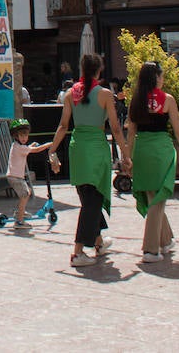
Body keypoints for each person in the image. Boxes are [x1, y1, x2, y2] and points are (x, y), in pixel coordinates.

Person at [48, 53, 129, 267]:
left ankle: (99, 242)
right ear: (99, 70)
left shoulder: (70, 93)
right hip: (95, 147)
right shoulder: (104, 94)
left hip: (77, 146)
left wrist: (52, 150)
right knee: (93, 200)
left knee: (87, 195)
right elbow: (115, 127)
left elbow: (63, 126)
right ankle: (78, 252)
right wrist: (125, 154)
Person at [125, 62, 179, 264]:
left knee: (153, 194)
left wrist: (127, 157)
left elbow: (131, 132)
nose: (162, 79)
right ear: (156, 77)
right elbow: (178, 130)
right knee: (159, 198)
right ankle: (150, 249)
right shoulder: (168, 99)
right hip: (161, 149)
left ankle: (166, 240)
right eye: (161, 76)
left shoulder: (135, 100)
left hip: (141, 150)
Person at [3, 119, 53, 230]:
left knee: (27, 192)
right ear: (16, 136)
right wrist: (48, 144)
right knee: (25, 195)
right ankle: (19, 221)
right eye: (21, 136)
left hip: (15, 176)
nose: (24, 138)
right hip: (15, 177)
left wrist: (31, 145)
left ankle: (19, 212)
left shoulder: (17, 145)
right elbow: (35, 150)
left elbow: (29, 148)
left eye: (25, 135)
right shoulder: (20, 147)